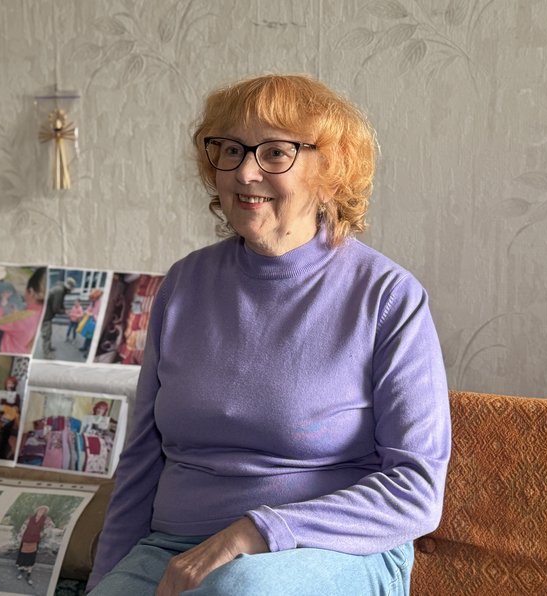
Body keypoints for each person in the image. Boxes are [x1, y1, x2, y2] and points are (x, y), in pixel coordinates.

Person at [87, 74, 451, 596]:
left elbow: (416, 491)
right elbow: (143, 459)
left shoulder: (388, 297)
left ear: (329, 170)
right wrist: (105, 581)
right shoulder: (183, 285)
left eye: (275, 152)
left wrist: (257, 530)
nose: (244, 172)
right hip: (175, 548)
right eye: (231, 150)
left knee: (237, 589)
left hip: (327, 551)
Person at [0, 267, 47, 354]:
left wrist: (2, 304)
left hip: (8, 351)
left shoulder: (22, 318)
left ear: (31, 292)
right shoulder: (43, 313)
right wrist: (16, 315)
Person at [14, 505, 55, 586]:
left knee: (31, 557)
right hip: (26, 538)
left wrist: (43, 533)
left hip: (35, 540)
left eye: (43, 510)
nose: (41, 511)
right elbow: (23, 527)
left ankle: (28, 575)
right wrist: (20, 536)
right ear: (37, 510)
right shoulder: (30, 518)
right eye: (40, 510)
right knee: (23, 556)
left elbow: (51, 526)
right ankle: (21, 572)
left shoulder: (46, 519)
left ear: (44, 512)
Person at [40, 276, 76, 356]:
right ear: (68, 288)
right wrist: (65, 311)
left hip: (47, 315)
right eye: (71, 290)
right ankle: (46, 353)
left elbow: (60, 303)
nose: (70, 292)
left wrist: (65, 309)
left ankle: (49, 348)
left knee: (49, 333)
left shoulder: (61, 290)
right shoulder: (59, 291)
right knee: (46, 335)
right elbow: (56, 309)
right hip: (45, 316)